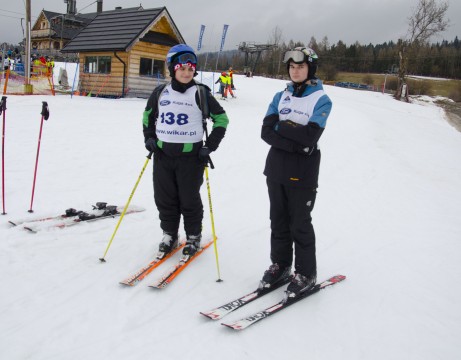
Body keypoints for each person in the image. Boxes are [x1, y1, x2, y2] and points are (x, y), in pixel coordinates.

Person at [143, 44, 229, 257]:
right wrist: (149, 138)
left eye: (190, 69)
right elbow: (148, 117)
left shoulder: (200, 93)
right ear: (172, 68)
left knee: (189, 198)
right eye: (182, 68)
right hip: (163, 155)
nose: (186, 72)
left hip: (191, 156)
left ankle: (193, 236)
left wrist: (211, 146)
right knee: (165, 197)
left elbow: (222, 119)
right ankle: (169, 234)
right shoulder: (160, 92)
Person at [260, 47, 332, 299]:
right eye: (291, 67)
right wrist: (295, 142)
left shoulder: (321, 99)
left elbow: (311, 136)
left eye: (300, 67)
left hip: (303, 172)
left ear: (310, 68)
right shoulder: (281, 96)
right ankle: (280, 265)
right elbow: (266, 132)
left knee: (299, 223)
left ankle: (306, 273)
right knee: (278, 221)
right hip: (276, 168)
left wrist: (282, 127)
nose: (295, 71)